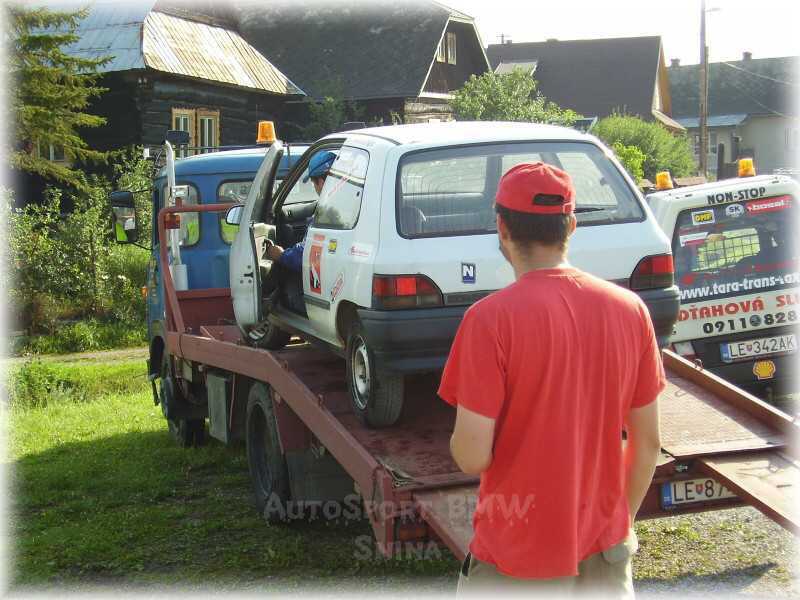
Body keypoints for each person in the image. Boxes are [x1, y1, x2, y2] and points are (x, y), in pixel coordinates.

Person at [439, 162, 664, 597]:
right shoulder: (630, 309)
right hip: (606, 555)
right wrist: (615, 526)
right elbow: (648, 443)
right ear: (571, 226)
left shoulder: (488, 320)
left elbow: (471, 456)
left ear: (502, 228)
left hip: (516, 558)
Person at [262, 150, 336, 314]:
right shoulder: (349, 203)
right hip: (334, 276)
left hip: (326, 282)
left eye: (313, 184)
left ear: (321, 182)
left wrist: (282, 255)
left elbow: (306, 253)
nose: (315, 188)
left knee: (291, 285)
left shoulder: (328, 211)